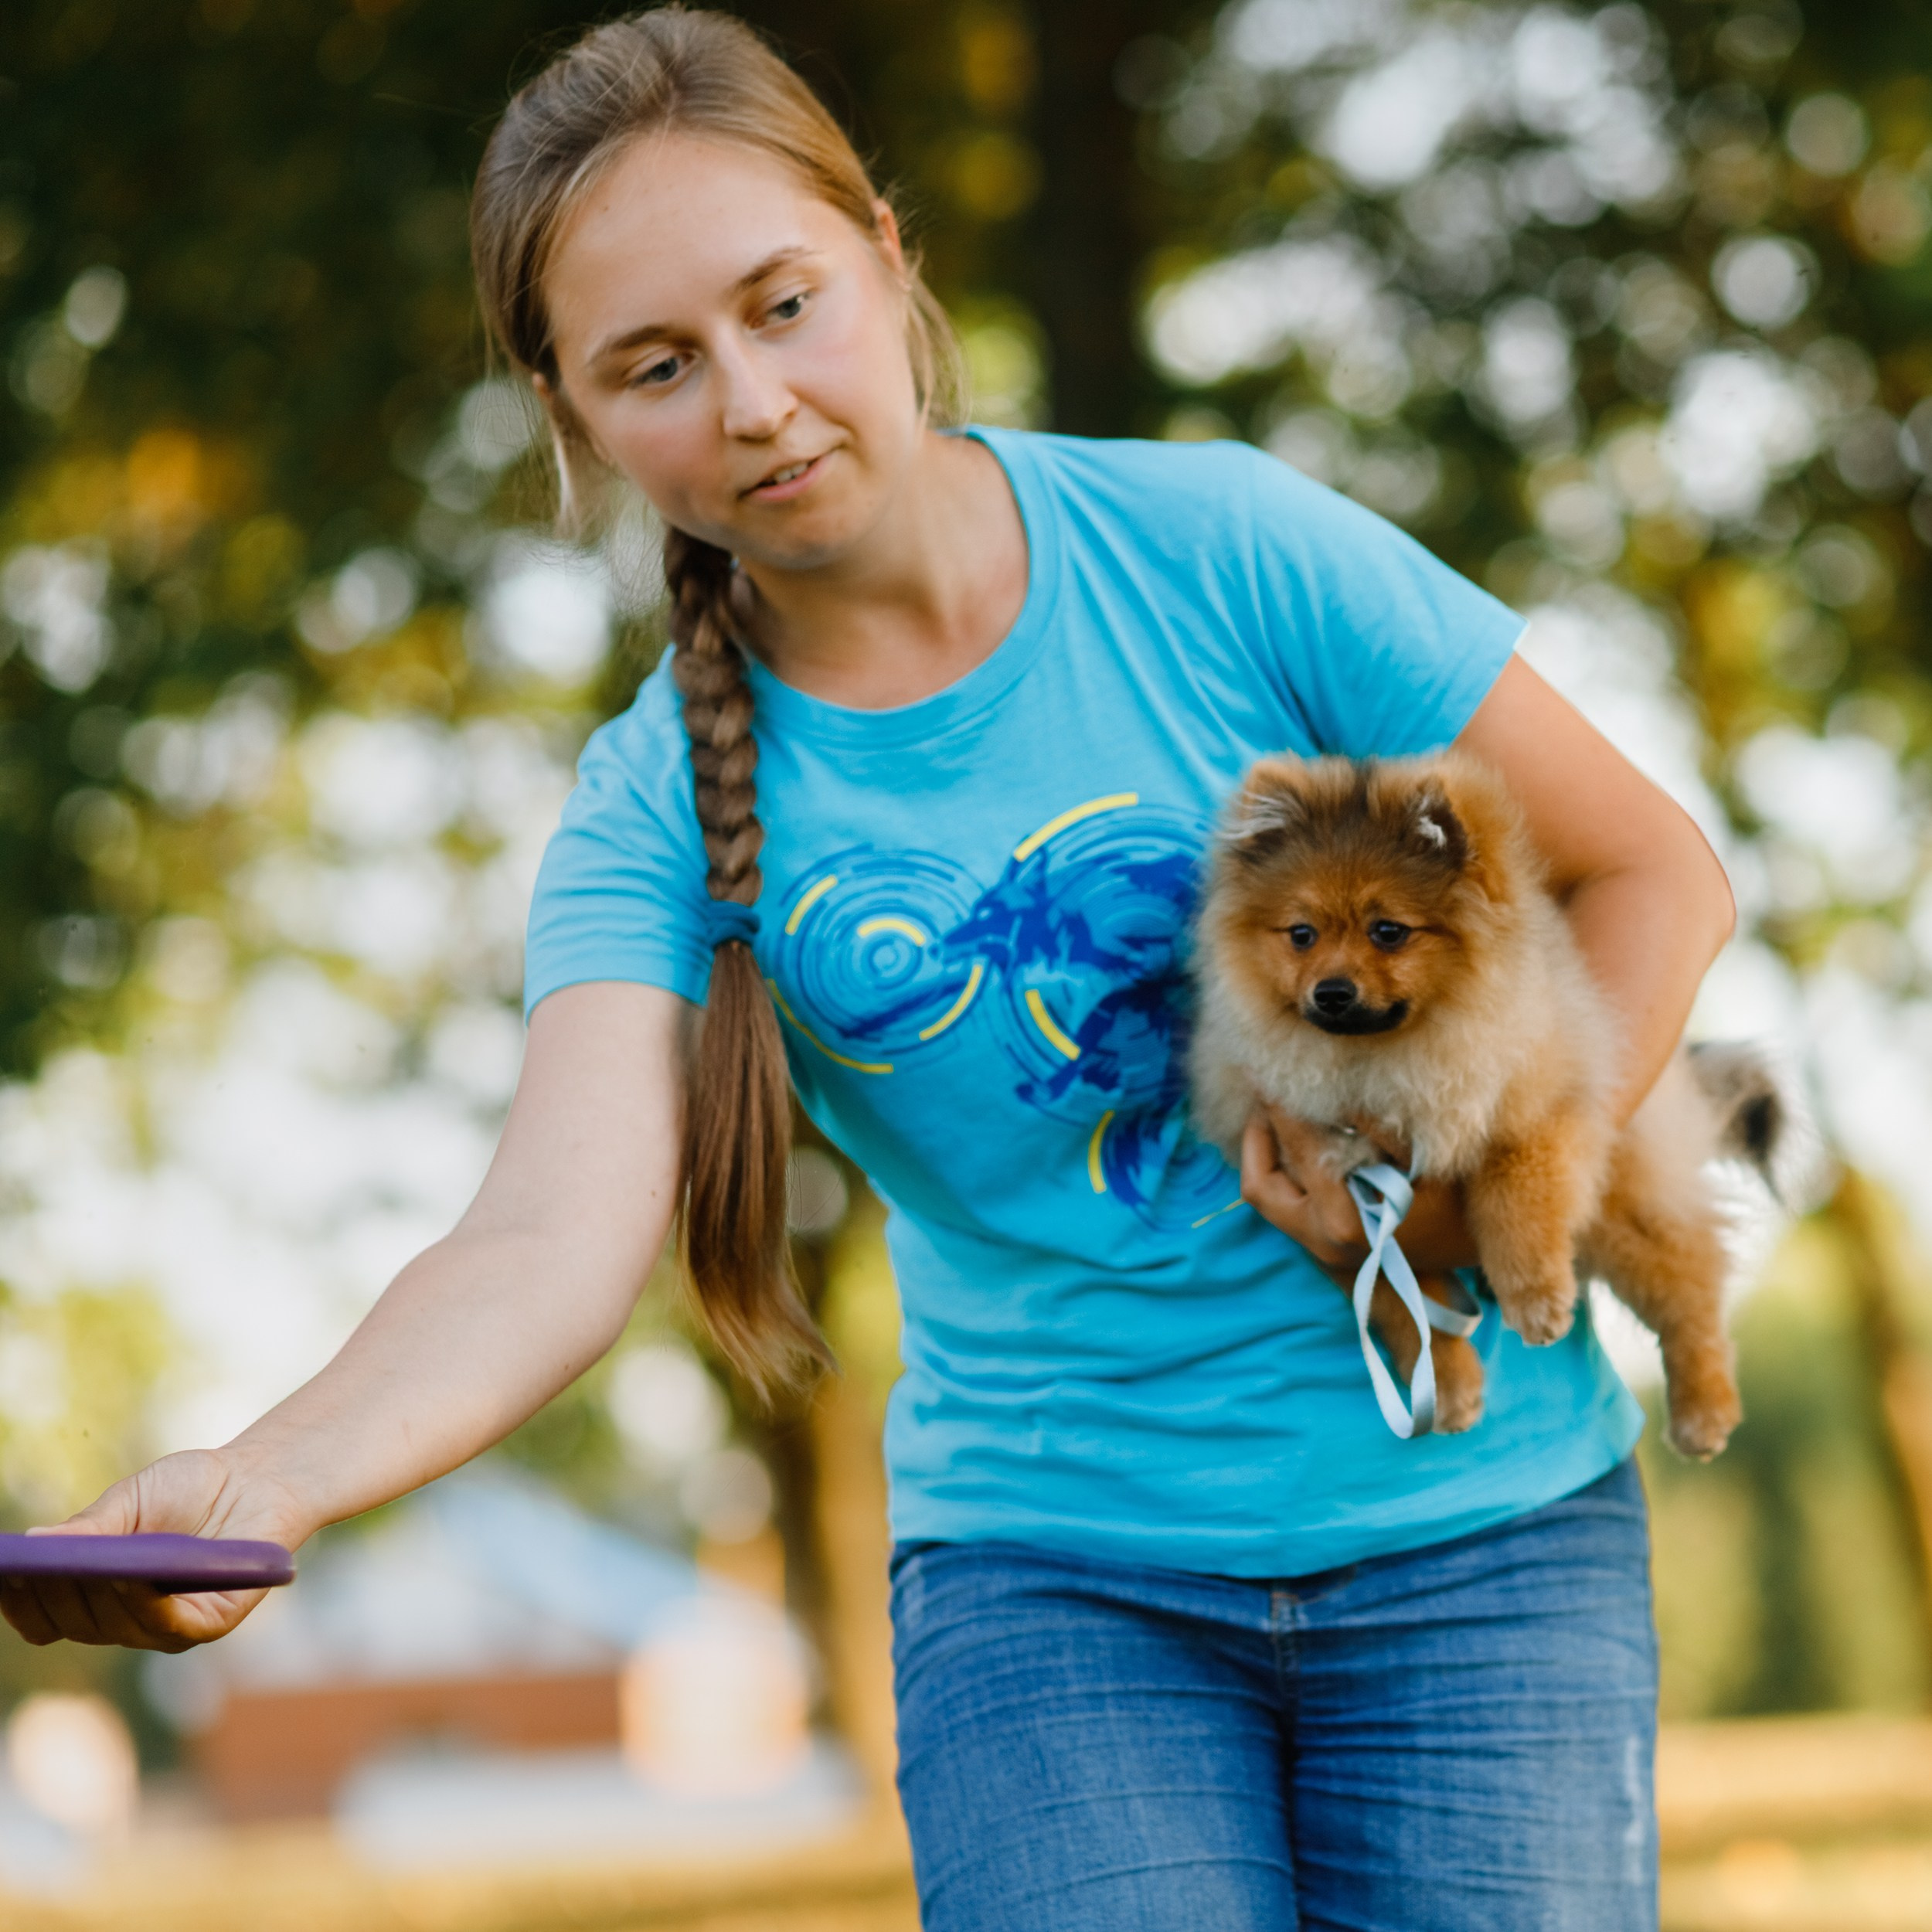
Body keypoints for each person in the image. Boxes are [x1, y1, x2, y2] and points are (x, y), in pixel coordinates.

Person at [1, 11, 1733, 1928]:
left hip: (1478, 1538)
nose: (751, 401)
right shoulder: (650, 804)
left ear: (888, 261)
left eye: (782, 303)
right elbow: (544, 1234)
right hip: (1055, 1589)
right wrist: (264, 1473)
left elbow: (1643, 865)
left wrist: (1483, 1165)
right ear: (578, 424)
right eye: (655, 366)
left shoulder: (1220, 548)